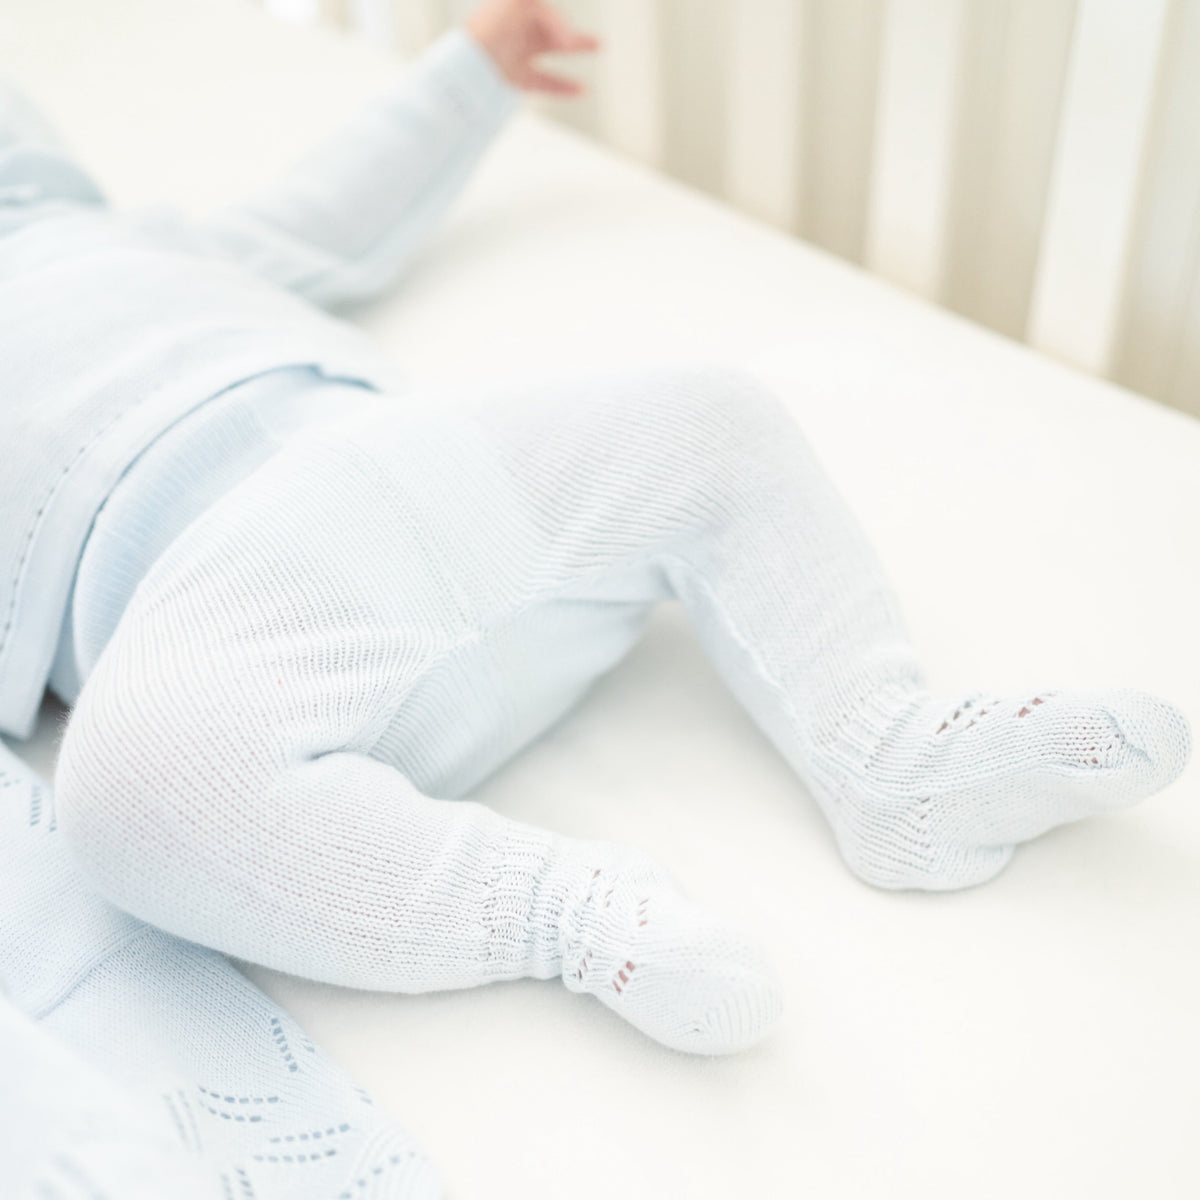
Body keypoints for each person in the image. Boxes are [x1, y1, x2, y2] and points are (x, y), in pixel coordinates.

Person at [0, 0, 1189, 1152]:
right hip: (238, 631)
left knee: (709, 414)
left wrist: (472, 71)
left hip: (450, 498)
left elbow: (335, 212)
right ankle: (570, 911)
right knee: (127, 798)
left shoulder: (150, 243)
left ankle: (887, 754)